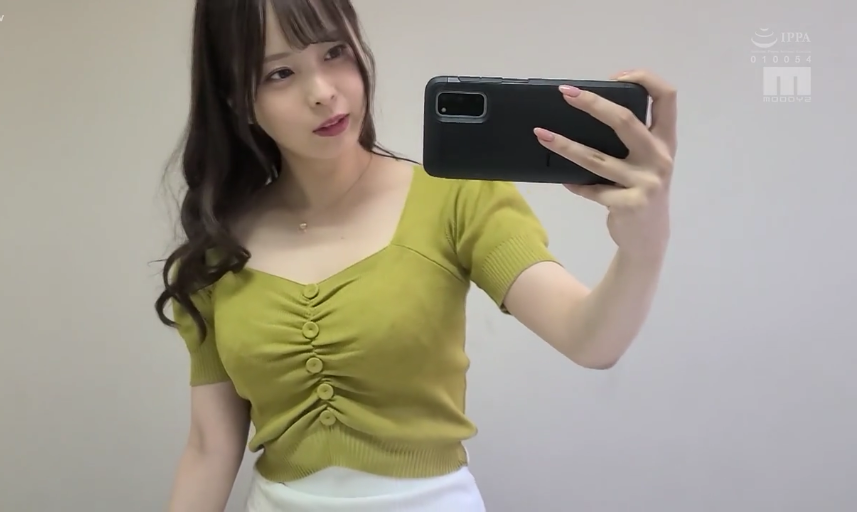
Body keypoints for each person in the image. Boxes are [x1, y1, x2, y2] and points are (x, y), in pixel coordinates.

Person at [154, 0, 678, 510]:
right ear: (235, 98)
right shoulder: (214, 255)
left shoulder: (457, 197)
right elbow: (209, 448)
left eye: (334, 52)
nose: (323, 92)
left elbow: (591, 339)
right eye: (280, 74)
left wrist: (644, 242)